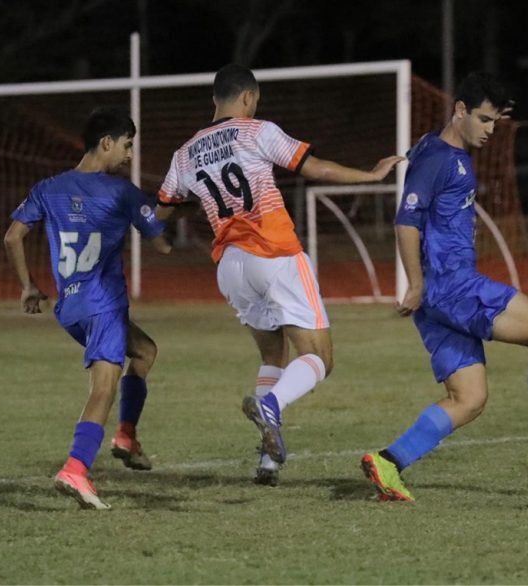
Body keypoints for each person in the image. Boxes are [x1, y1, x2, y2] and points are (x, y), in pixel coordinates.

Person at [156, 63, 403, 486]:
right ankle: (269, 406)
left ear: (215, 100)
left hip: (230, 267)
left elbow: (162, 213)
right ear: (248, 97)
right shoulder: (257, 131)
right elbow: (315, 168)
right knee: (319, 358)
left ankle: (267, 461)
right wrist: (371, 174)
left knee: (273, 357)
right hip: (273, 253)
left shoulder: (185, 153)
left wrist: (172, 226)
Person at [361, 72, 528, 502]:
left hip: (436, 302)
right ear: (460, 110)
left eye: (496, 122)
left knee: (469, 398)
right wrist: (415, 283)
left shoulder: (431, 146)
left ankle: (389, 461)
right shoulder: (443, 158)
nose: (490, 130)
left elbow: (419, 161)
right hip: (454, 288)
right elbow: (406, 221)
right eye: (484, 119)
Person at [4, 107, 172, 510]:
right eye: (127, 145)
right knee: (103, 389)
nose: (129, 154)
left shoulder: (49, 187)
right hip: (104, 305)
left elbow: (12, 237)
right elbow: (162, 242)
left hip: (71, 307)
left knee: (144, 351)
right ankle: (76, 469)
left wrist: (29, 286)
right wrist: (180, 205)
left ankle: (126, 435)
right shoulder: (121, 192)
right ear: (106, 143)